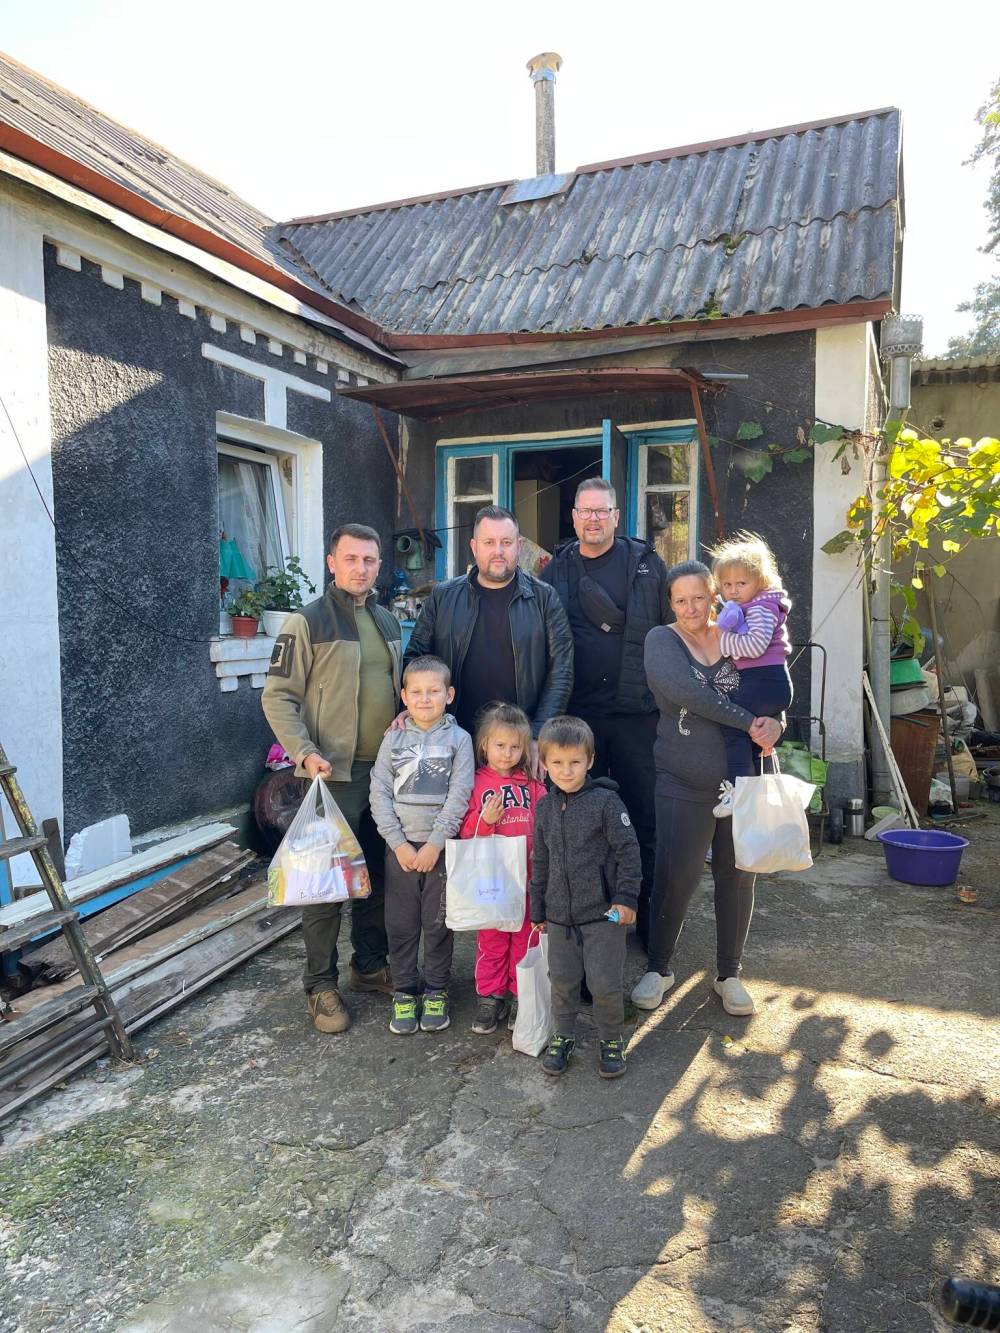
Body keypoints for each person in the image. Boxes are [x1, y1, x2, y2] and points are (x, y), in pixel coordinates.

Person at [262, 524, 400, 1035]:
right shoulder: (307, 622)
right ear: (331, 562)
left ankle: (369, 965)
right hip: (331, 776)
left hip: (383, 774)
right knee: (325, 886)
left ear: (378, 566)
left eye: (369, 559)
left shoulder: (386, 621)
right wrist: (305, 752)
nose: (360, 568)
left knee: (378, 878)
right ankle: (320, 985)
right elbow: (277, 696)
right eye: (351, 559)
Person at [633, 561, 783, 1019]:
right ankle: (659, 968)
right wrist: (747, 721)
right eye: (681, 600)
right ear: (671, 603)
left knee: (738, 877)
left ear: (714, 597)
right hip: (682, 779)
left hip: (742, 780)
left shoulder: (738, 639)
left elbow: (769, 686)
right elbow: (686, 693)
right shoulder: (662, 641)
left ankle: (729, 974)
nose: (691, 607)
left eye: (699, 597)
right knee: (675, 876)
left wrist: (776, 721)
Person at [541, 477, 669, 938]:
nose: (593, 519)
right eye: (585, 511)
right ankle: (592, 924)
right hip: (579, 723)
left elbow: (676, 633)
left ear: (617, 517)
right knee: (581, 829)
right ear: (573, 518)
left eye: (602, 511)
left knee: (643, 819)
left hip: (638, 716)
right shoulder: (554, 573)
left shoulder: (648, 568)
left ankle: (649, 920)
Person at [403, 506, 573, 764]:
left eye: (506, 542)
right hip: (450, 739)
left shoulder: (544, 597)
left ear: (518, 546)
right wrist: (411, 711)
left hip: (516, 746)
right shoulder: (443, 597)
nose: (498, 551)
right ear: (474, 546)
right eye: (489, 542)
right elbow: (415, 658)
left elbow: (562, 670)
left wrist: (538, 734)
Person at [530, 715, 642, 1080]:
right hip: (560, 918)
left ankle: (611, 1039)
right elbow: (540, 859)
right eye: (557, 763)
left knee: (604, 982)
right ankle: (563, 1035)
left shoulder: (607, 803)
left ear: (590, 761)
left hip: (604, 917)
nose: (566, 771)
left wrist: (625, 900)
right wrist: (539, 909)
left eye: (575, 762)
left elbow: (629, 851)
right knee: (561, 981)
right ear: (544, 764)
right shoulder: (544, 808)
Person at [369, 656, 475, 1036]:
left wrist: (435, 844)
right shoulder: (393, 739)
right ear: (404, 696)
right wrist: (398, 843)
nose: (425, 699)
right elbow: (379, 790)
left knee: (438, 923)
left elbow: (460, 795)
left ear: (449, 695)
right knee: (400, 924)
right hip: (400, 849)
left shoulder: (459, 741)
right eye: (416, 692)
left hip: (440, 850)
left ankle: (436, 989)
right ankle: (404, 990)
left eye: (434, 691)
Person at [458, 701, 547, 1035]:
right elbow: (465, 828)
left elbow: (545, 823)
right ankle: (491, 996)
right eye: (500, 745)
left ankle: (519, 994)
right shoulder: (475, 782)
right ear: (484, 745)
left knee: (526, 941)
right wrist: (485, 821)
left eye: (515, 747)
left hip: (528, 879)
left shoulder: (533, 784)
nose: (507, 753)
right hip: (492, 881)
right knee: (492, 940)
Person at [708, 532, 793, 815]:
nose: (733, 590)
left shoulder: (760, 608)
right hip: (766, 681)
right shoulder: (750, 606)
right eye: (727, 584)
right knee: (751, 736)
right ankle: (751, 790)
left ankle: (736, 790)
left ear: (760, 582)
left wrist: (723, 640)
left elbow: (755, 646)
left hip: (765, 680)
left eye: (741, 584)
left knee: (733, 727)